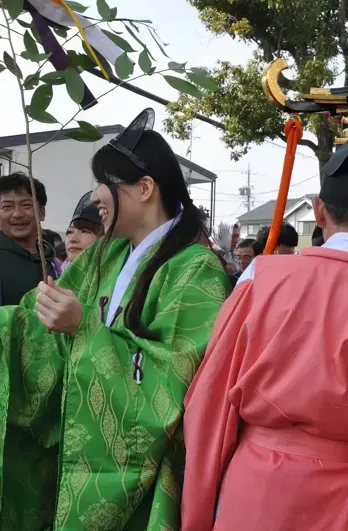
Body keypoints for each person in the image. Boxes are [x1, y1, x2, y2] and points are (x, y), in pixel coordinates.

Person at [0, 109, 229, 530]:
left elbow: (179, 375)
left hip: (148, 471)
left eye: (103, 184)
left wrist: (84, 327)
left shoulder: (197, 270)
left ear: (145, 188)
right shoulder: (106, 254)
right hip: (81, 447)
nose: (94, 199)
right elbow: (36, 319)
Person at [181, 118, 348, 531]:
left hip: (251, 492)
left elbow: (210, 402)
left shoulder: (260, 278)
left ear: (319, 211)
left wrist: (198, 509)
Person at [0, 173, 59, 305]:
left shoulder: (53, 263)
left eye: (26, 205)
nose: (17, 214)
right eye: (7, 206)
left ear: (42, 213)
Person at [63, 191, 104, 269]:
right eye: (70, 232)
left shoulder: (118, 274)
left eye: (85, 231)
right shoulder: (62, 273)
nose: (73, 239)